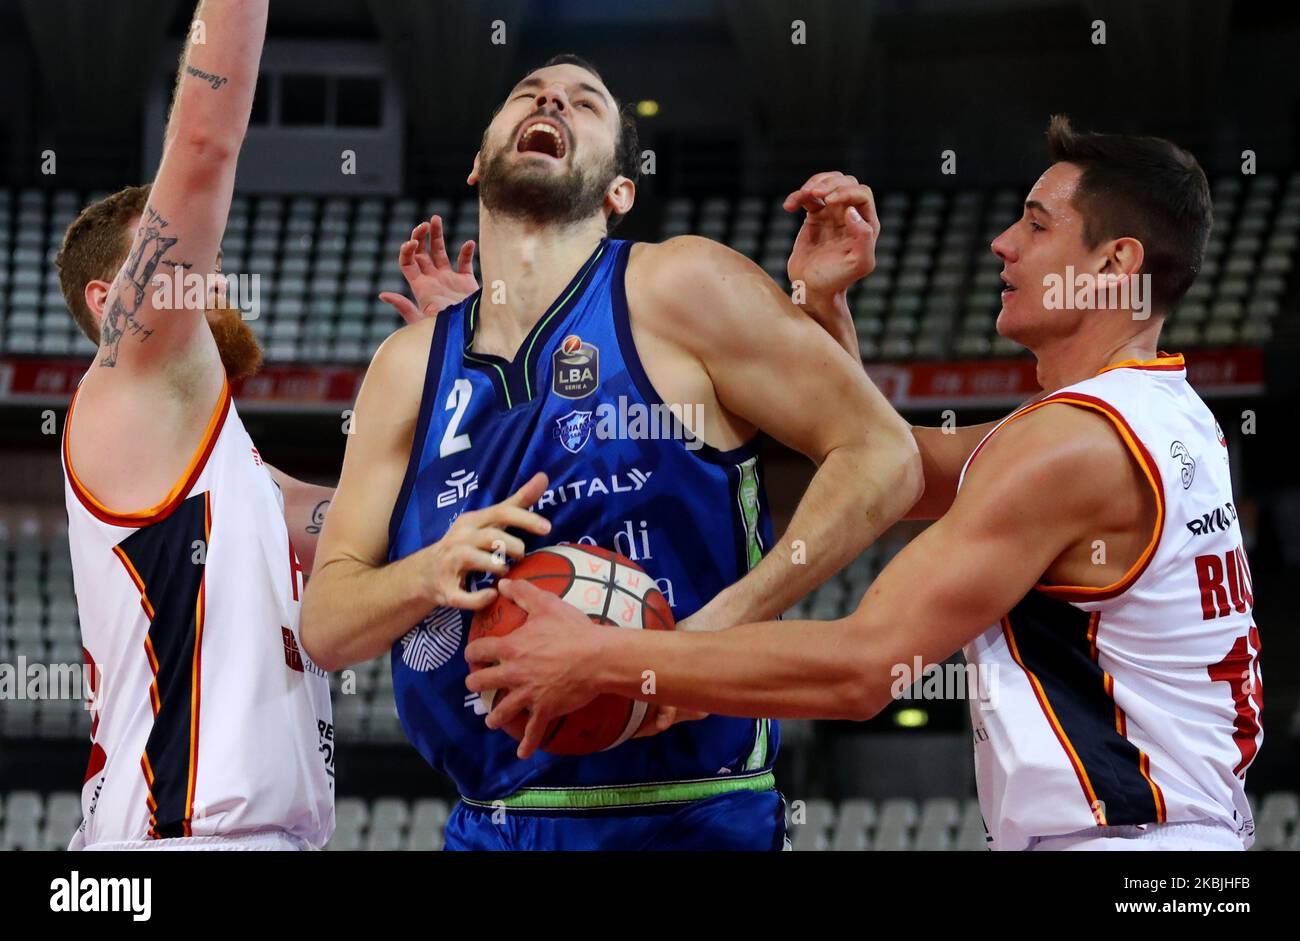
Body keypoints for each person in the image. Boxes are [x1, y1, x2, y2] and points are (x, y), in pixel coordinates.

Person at [469, 117, 1263, 851]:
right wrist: (821, 301)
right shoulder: (1158, 417)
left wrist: (608, 657)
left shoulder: (1072, 447)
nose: (1001, 243)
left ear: (1114, 263)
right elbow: (893, 464)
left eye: (1035, 222)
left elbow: (861, 667)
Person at [300, 55, 922, 850]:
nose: (551, 97)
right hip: (492, 823)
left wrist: (693, 645)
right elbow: (325, 623)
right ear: (478, 162)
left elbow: (883, 455)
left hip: (694, 810)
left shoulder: (682, 286)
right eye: (527, 92)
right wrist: (429, 568)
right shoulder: (407, 366)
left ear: (618, 191)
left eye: (585, 103)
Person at [56, 0, 338, 850]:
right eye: (181, 257)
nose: (208, 272)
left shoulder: (234, 473)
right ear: (112, 304)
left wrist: (458, 370)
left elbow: (365, 524)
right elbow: (207, 144)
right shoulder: (127, 380)